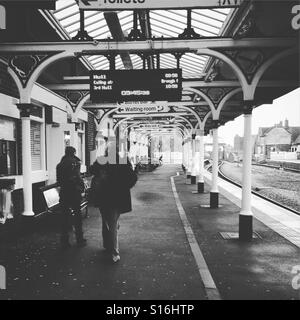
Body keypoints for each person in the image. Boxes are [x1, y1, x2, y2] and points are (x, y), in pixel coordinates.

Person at [90, 141, 137, 263]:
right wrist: (124, 187)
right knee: (112, 222)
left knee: (108, 221)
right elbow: (132, 178)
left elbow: (92, 170)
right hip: (118, 197)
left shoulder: (101, 160)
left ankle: (111, 248)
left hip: (103, 197)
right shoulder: (123, 160)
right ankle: (114, 250)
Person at [56, 146, 87, 248]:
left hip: (64, 192)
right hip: (74, 193)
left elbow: (59, 181)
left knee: (64, 217)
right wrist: (82, 187)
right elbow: (77, 177)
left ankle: (64, 240)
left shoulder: (60, 165)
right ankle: (79, 239)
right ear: (73, 152)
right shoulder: (75, 163)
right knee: (77, 216)